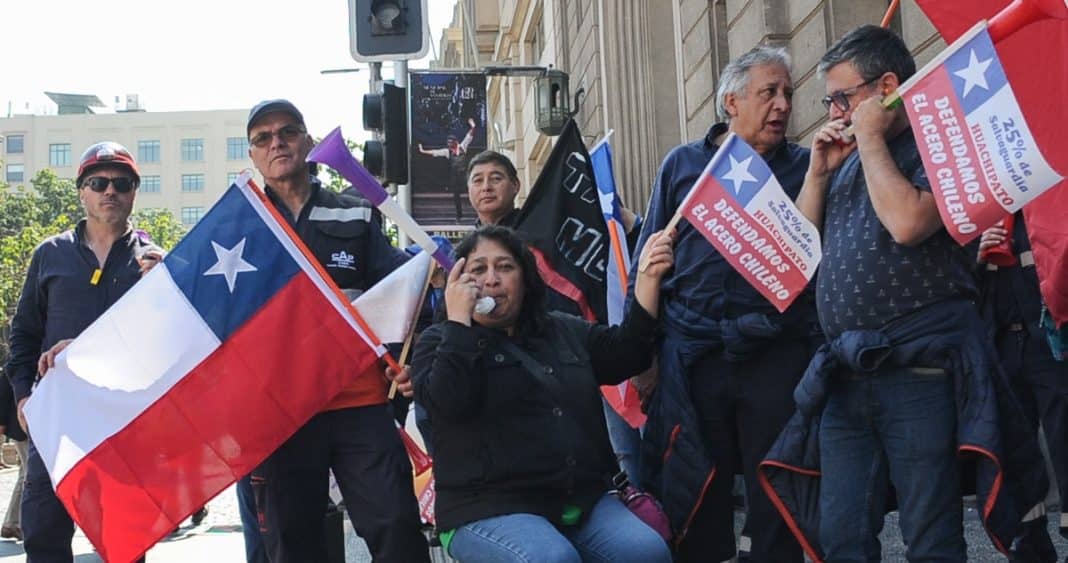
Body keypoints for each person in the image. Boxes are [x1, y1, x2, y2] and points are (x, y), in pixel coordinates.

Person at [784, 25, 1045, 560]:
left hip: (918, 370)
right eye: (829, 101)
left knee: (930, 536)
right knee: (842, 536)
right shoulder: (848, 157)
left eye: (843, 98)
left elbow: (907, 223)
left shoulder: (939, 145)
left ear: (886, 87)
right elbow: (799, 254)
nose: (834, 112)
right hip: (845, 375)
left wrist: (873, 138)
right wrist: (817, 176)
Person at [633, 45, 814, 562]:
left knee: (775, 490)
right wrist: (642, 357)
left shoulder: (805, 169)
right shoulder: (684, 166)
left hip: (774, 354)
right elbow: (648, 263)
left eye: (788, 94)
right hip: (694, 355)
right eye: (769, 93)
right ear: (731, 101)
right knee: (696, 490)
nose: (782, 105)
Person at [405, 224, 675, 563]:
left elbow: (628, 354)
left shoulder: (561, 329)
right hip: (485, 506)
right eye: (478, 269)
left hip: (579, 500)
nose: (491, 279)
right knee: (552, 558)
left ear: (525, 279)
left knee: (648, 552)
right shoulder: (438, 341)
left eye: (505, 267)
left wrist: (648, 280)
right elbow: (449, 403)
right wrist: (459, 324)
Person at [244, 99, 429, 563]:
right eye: (262, 138)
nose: (276, 143)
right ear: (252, 156)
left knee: (395, 526)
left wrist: (407, 363)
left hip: (360, 402)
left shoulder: (358, 214)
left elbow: (398, 296)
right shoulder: (241, 227)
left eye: (287, 131)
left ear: (307, 141)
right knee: (293, 541)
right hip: (282, 414)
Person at [6, 141, 163, 562]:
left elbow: (167, 346)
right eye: (98, 182)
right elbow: (22, 336)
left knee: (126, 544)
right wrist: (24, 395)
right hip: (58, 423)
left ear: (133, 192)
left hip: (123, 423)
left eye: (121, 183)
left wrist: (168, 287)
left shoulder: (154, 264)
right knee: (43, 536)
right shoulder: (50, 254)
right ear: (82, 191)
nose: (109, 191)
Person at [465, 149, 646, 482]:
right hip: (510, 369)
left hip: (578, 346)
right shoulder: (463, 253)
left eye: (496, 177)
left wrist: (625, 224)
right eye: (478, 180)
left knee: (625, 447)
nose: (487, 187)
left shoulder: (546, 222)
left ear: (516, 185)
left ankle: (640, 512)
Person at [979, 215, 1068, 563]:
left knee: (1064, 439)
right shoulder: (978, 205)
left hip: (1052, 339)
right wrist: (976, 251)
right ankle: (1030, 542)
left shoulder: (1051, 192)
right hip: (1000, 342)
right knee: (1013, 445)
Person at [418, 117, 477, 222]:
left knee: (472, 190)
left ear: (455, 142)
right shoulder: (447, 151)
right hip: (455, 176)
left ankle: (478, 210)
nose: (449, 145)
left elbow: (470, 135)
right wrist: (423, 151)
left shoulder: (463, 146)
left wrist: (473, 126)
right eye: (448, 144)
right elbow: (435, 152)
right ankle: (459, 216)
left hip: (464, 174)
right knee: (456, 196)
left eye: (451, 143)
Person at [0, 370, 27, 542]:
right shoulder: (13, 367)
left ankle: (12, 522)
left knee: (24, 473)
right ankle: (20, 523)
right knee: (28, 474)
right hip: (20, 429)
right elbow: (2, 401)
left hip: (21, 428)